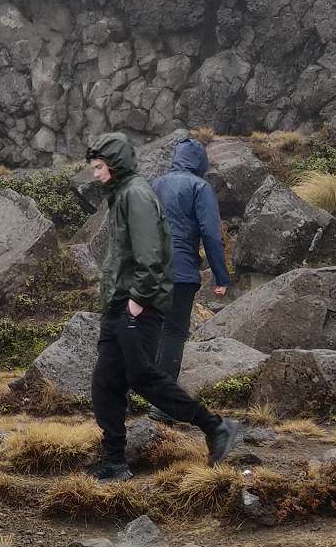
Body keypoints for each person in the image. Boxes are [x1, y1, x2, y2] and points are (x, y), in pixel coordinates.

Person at [83, 132, 239, 482]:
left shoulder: (144, 190)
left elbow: (151, 250)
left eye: (99, 166)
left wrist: (138, 299)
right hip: (134, 295)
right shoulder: (142, 192)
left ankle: (214, 426)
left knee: (142, 373)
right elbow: (208, 233)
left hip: (141, 297)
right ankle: (114, 460)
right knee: (107, 379)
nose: (94, 174)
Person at [148, 137, 231, 421]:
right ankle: (163, 406)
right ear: (200, 161)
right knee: (173, 333)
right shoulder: (199, 187)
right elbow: (211, 233)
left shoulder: (155, 184)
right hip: (180, 273)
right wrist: (221, 276)